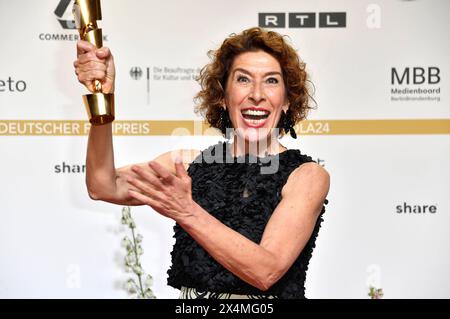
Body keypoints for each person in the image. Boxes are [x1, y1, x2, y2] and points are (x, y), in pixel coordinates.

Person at [74, 27, 330, 299]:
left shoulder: (307, 176)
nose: (257, 94)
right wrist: (101, 99)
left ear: (288, 100)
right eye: (243, 79)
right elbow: (103, 185)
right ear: (222, 96)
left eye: (271, 81)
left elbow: (265, 272)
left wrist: (187, 211)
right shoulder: (189, 165)